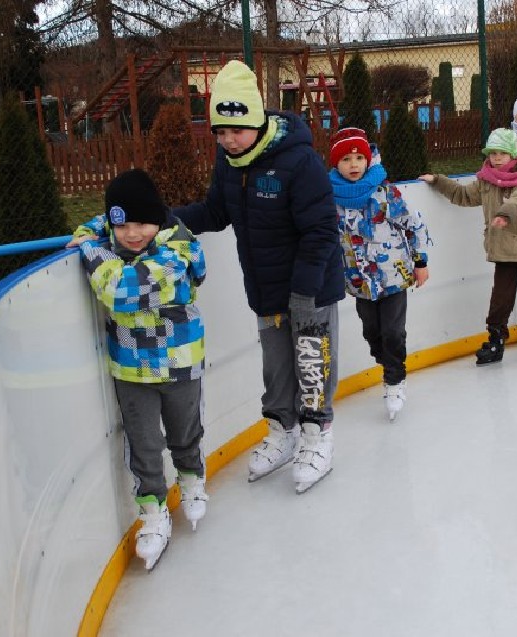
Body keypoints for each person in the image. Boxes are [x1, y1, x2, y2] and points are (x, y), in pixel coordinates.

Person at [173, 60, 344, 494]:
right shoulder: (230, 162)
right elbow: (216, 212)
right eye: (220, 132)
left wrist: (304, 291)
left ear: (257, 120)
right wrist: (165, 221)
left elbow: (323, 229)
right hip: (266, 288)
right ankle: (283, 430)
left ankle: (317, 435)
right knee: (276, 366)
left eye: (237, 130)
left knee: (311, 363)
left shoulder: (298, 161)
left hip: (310, 287)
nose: (228, 140)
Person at [66, 168, 208, 571]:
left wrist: (90, 247)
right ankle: (153, 513)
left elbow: (122, 291)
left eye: (142, 224)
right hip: (131, 368)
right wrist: (94, 229)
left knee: (184, 433)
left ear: (158, 219)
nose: (131, 235)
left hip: (179, 361)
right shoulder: (116, 237)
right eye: (122, 226)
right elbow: (101, 222)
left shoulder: (178, 251)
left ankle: (192, 482)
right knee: (143, 445)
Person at [419, 128, 517, 364]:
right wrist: (438, 181)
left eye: (502, 153)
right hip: (503, 250)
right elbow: (463, 195)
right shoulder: (486, 181)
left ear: (513, 155)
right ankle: (496, 339)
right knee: (500, 299)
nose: (497, 158)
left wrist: (504, 214)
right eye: (493, 153)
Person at [330, 127, 432, 421]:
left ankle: (395, 380)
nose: (353, 164)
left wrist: (420, 262)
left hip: (393, 278)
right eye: (346, 159)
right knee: (372, 333)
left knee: (392, 332)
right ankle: (388, 364)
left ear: (368, 160)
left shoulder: (385, 193)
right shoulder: (331, 199)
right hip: (359, 282)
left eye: (359, 158)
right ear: (336, 164)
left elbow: (414, 225)